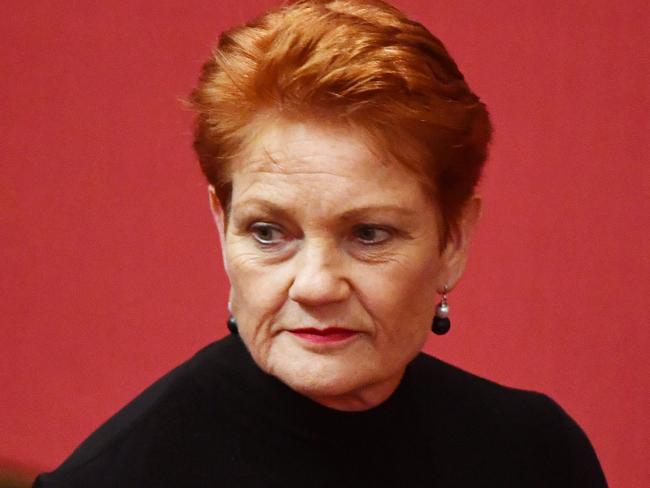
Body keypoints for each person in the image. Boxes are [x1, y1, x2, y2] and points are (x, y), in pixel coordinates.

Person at [34, 0, 607, 486]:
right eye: (268, 232)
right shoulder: (118, 476)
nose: (314, 286)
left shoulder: (537, 455)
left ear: (453, 240)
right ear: (221, 225)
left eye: (368, 234)